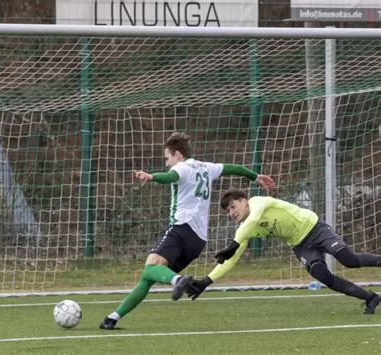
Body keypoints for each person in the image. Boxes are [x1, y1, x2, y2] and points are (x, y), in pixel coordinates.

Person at [99, 133, 276, 329]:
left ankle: (178, 280)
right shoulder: (207, 167)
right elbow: (232, 168)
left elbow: (170, 176)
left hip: (181, 229)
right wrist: (255, 177)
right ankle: (113, 317)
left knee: (150, 268)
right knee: (150, 275)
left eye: (167, 158)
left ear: (177, 155)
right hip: (198, 241)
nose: (167, 163)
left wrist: (151, 177)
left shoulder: (181, 168)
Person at [182, 189, 381, 314]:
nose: (232, 213)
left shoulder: (258, 202)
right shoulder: (244, 229)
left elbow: (253, 218)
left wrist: (234, 242)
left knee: (348, 259)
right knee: (322, 275)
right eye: (228, 212)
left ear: (244, 200)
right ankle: (370, 298)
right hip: (300, 245)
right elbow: (231, 260)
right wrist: (207, 280)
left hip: (314, 227)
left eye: (233, 207)